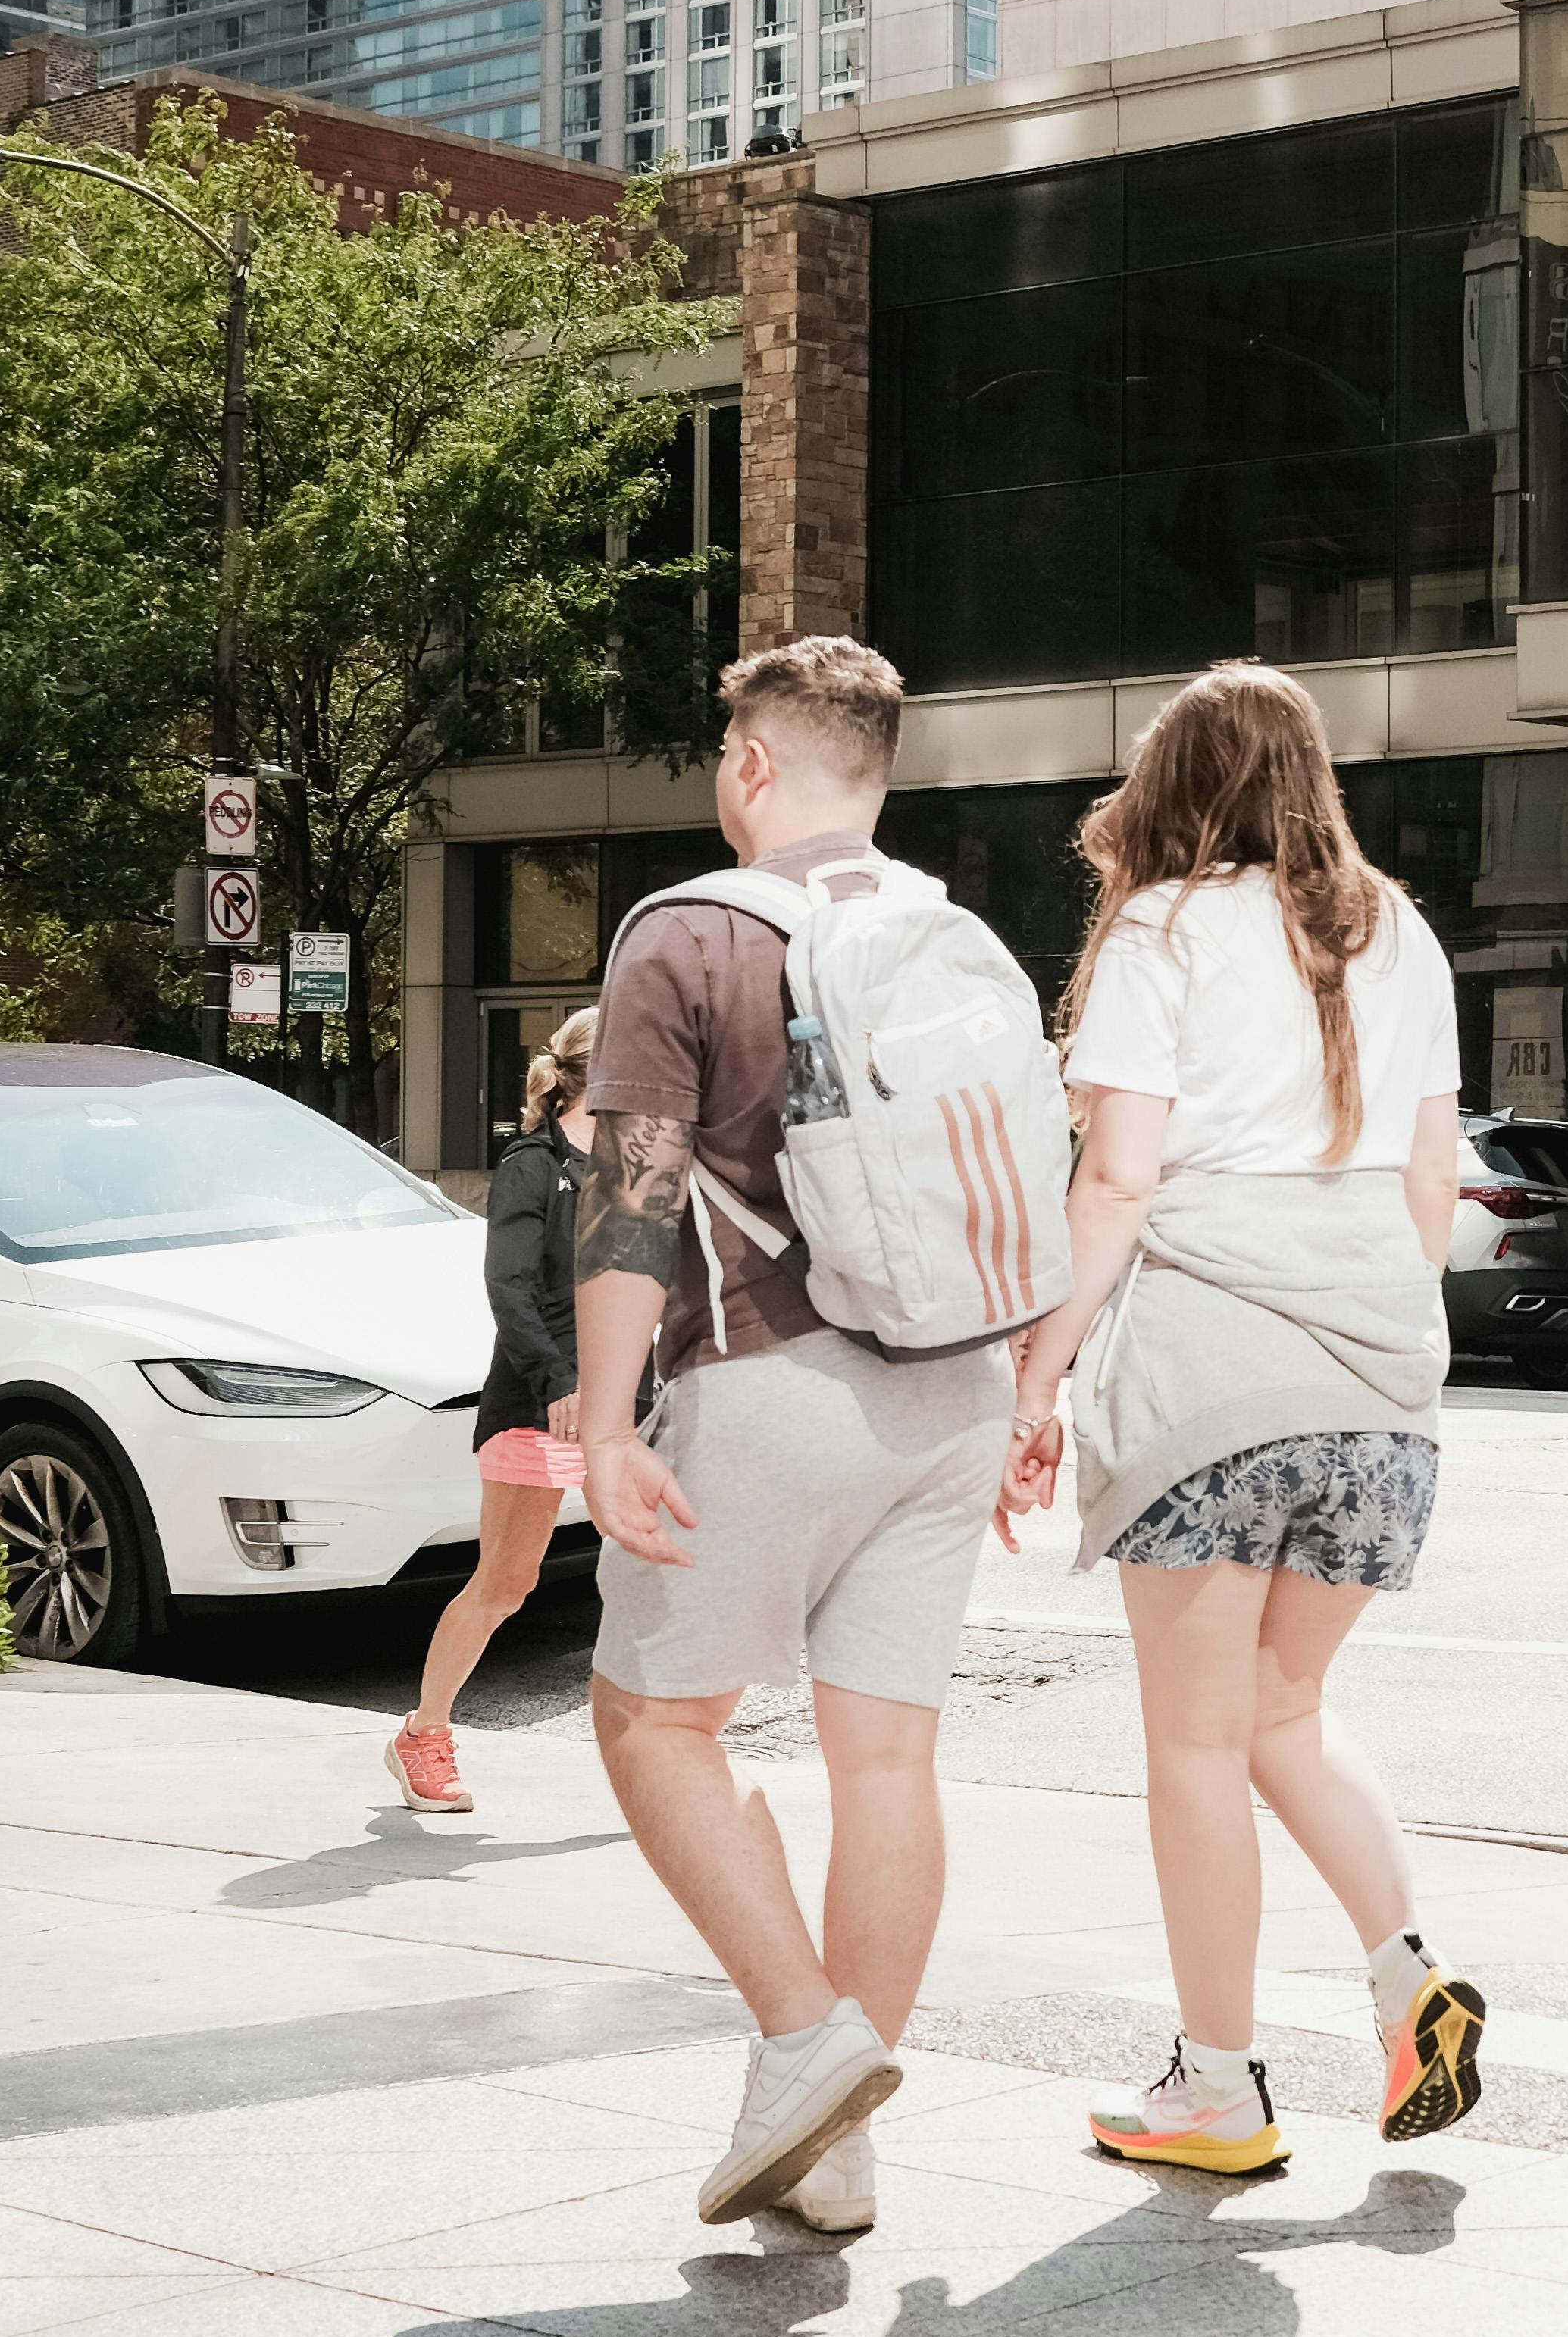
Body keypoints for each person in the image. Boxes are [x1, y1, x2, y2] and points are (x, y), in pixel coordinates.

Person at [995, 660, 1486, 2181]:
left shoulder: (1162, 929)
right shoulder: (1399, 932)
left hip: (1211, 1381)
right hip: (1381, 1389)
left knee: (1196, 1746)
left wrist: (1037, 1374)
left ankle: (1217, 2088)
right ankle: (1408, 1980)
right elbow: (1433, 1182)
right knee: (1283, 1715)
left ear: (1177, 786)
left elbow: (1117, 1181)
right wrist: (1383, 1337)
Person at [574, 635, 1018, 2239]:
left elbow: (633, 1191)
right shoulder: (953, 933)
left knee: (652, 1723)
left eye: (722, 751)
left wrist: (607, 1422)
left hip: (775, 1378)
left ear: (751, 762)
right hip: (959, 1388)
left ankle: (803, 2038)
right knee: (886, 1758)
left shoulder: (684, 932)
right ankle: (837, 2153)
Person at [384, 1005, 599, 1815]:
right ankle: (424, 1733)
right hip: (542, 1403)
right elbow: (509, 1289)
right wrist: (558, 1382)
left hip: (629, 1403)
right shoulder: (532, 1165)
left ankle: (659, 1740)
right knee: (507, 1582)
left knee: (663, 1570)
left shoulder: (644, 1163)